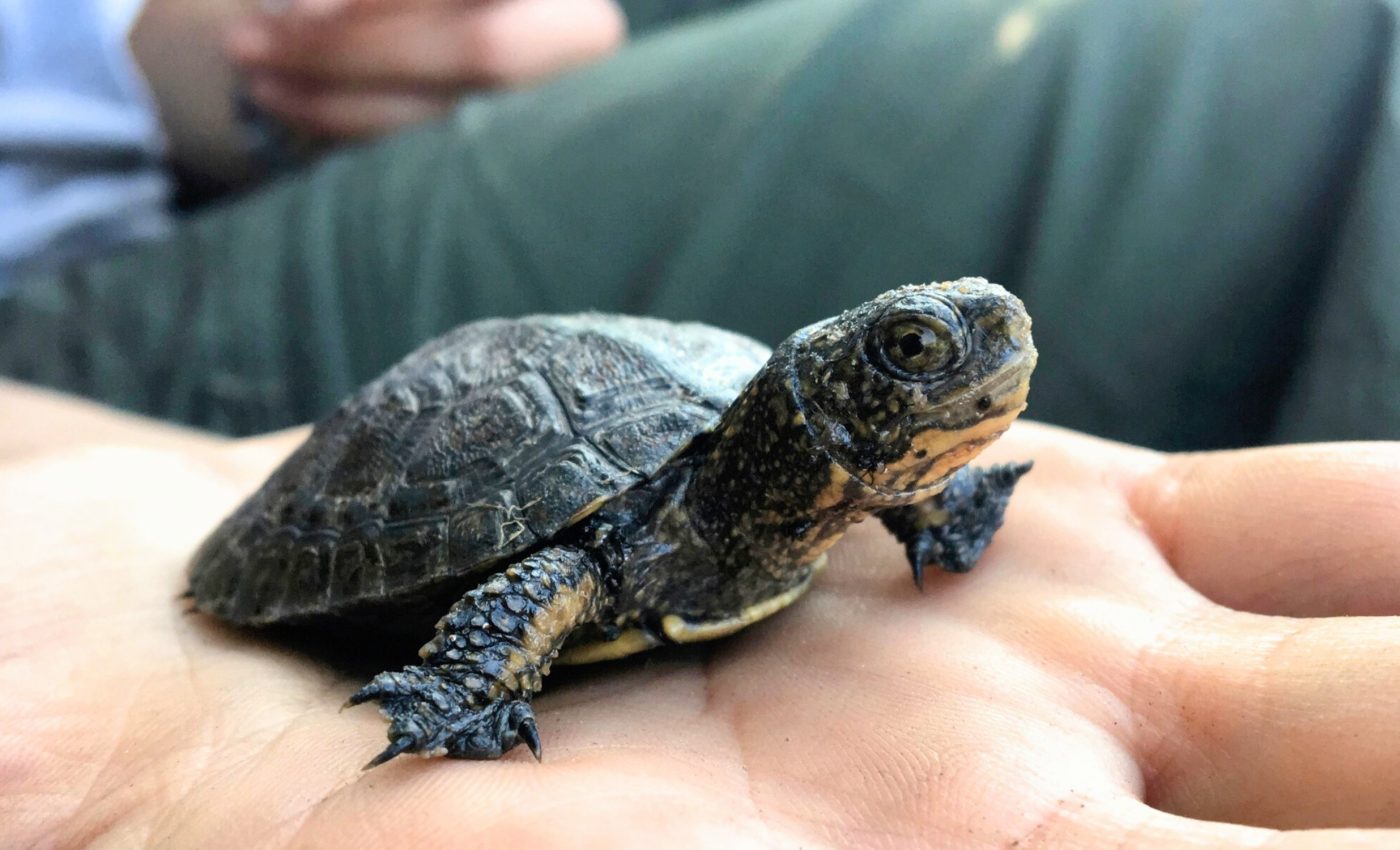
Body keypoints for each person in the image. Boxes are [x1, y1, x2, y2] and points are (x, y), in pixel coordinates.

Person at [3, 382, 1399, 846]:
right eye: (911, 356)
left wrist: (926, 500)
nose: (981, 363)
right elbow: (561, 566)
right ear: (818, 401)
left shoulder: (812, 487)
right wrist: (474, 673)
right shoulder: (640, 533)